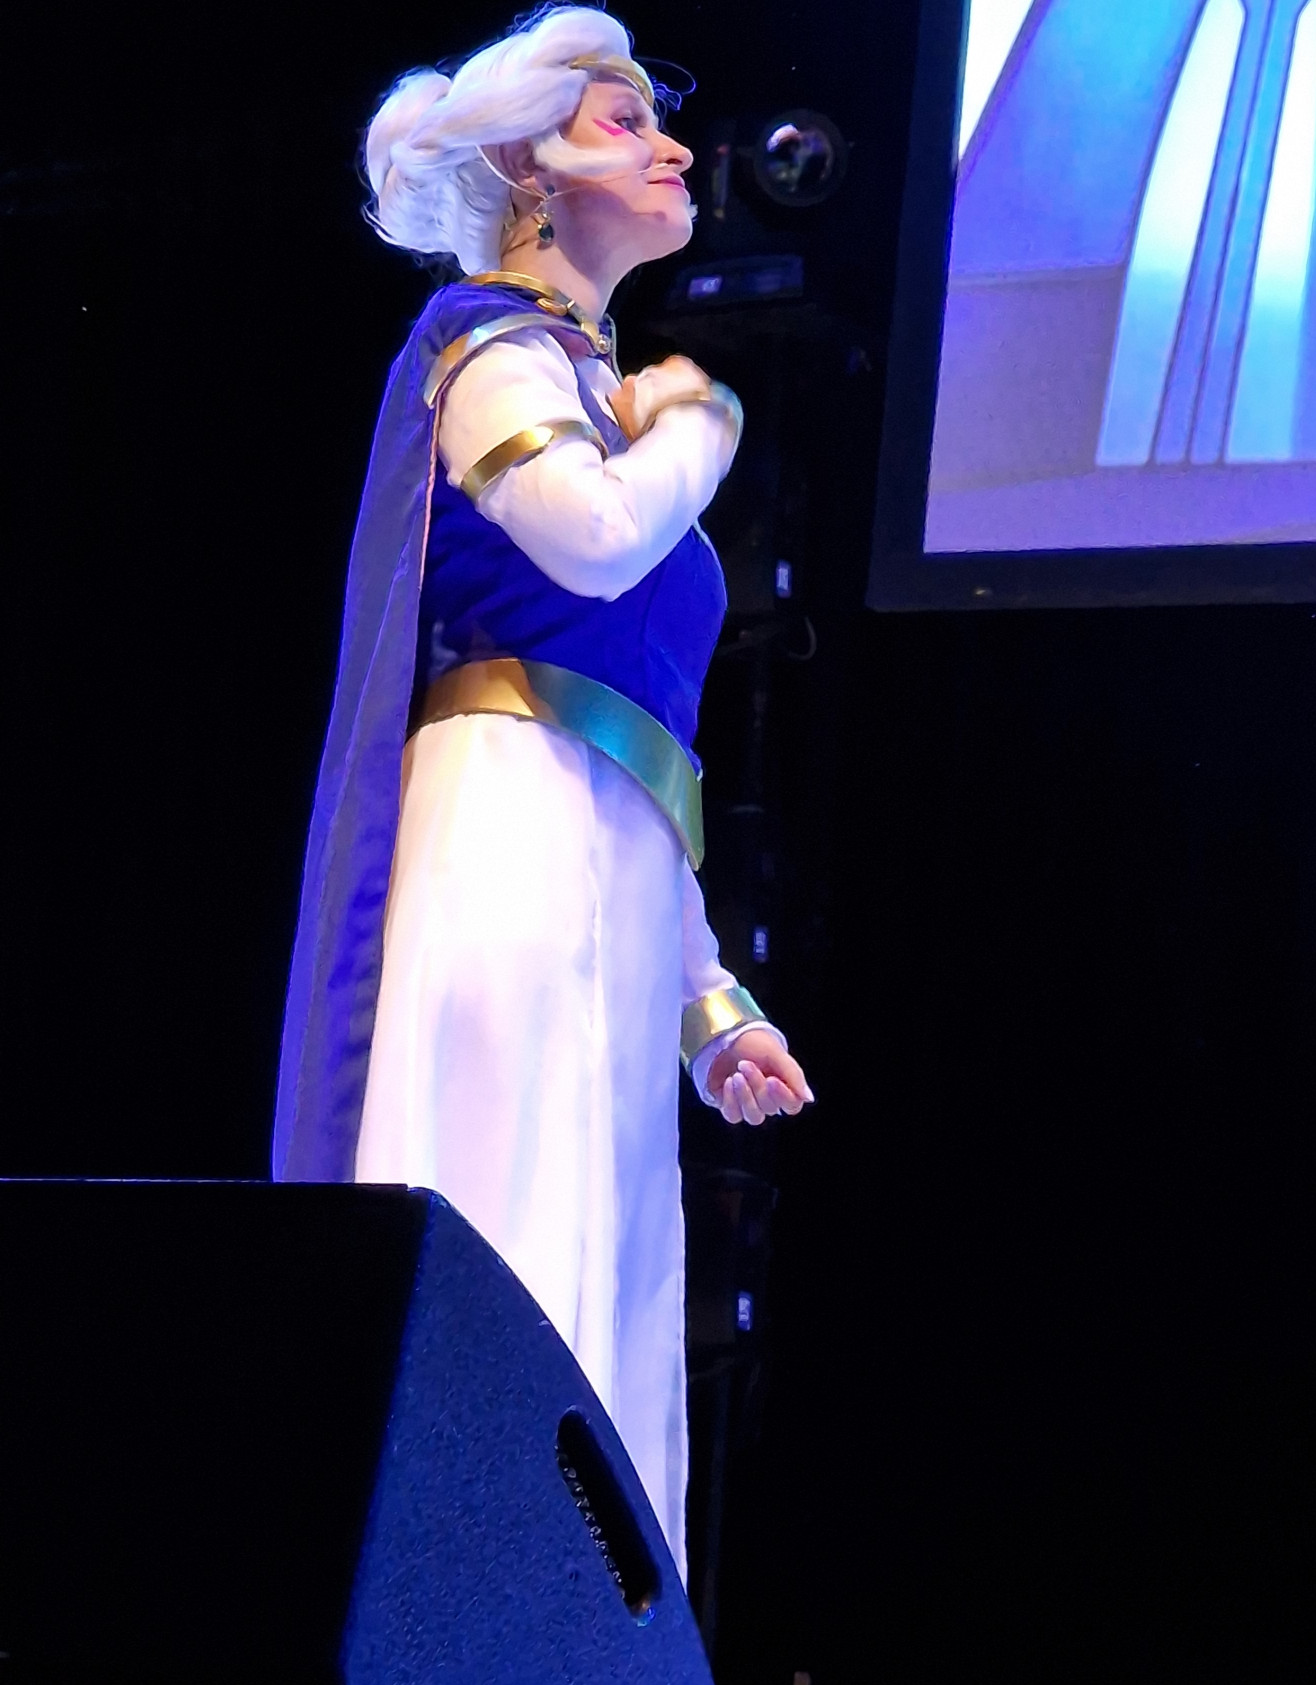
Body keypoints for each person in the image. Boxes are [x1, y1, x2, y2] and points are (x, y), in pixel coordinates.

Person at [273, 4, 811, 1580]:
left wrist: (710, 1006)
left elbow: (634, 754)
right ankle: (455, 1611)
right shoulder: (491, 348)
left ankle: (553, 1661)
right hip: (504, 841)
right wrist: (702, 419)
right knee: (512, 1235)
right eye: (623, 119)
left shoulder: (579, 379)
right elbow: (589, 536)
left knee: (602, 1299)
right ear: (527, 166)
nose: (672, 146)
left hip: (596, 872)